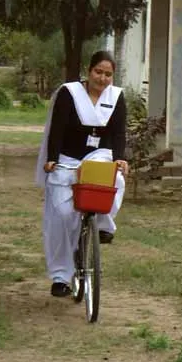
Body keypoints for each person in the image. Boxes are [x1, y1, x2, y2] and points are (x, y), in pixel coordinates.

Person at [35, 50, 129, 297]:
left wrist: (120, 157)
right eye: (99, 72)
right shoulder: (70, 93)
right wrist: (52, 159)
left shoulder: (116, 97)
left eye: (108, 74)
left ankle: (103, 225)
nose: (103, 78)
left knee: (115, 179)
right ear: (89, 71)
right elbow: (57, 128)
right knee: (62, 215)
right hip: (67, 157)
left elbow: (119, 132)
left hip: (98, 155)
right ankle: (60, 276)